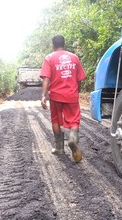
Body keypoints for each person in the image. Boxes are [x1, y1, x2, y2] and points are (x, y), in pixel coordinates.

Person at [40, 34, 86, 163]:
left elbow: (46, 78)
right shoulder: (74, 57)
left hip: (55, 95)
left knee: (55, 119)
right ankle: (72, 139)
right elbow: (79, 78)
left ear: (53, 45)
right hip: (71, 94)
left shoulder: (49, 58)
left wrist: (43, 95)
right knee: (74, 120)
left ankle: (59, 148)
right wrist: (76, 92)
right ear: (64, 44)